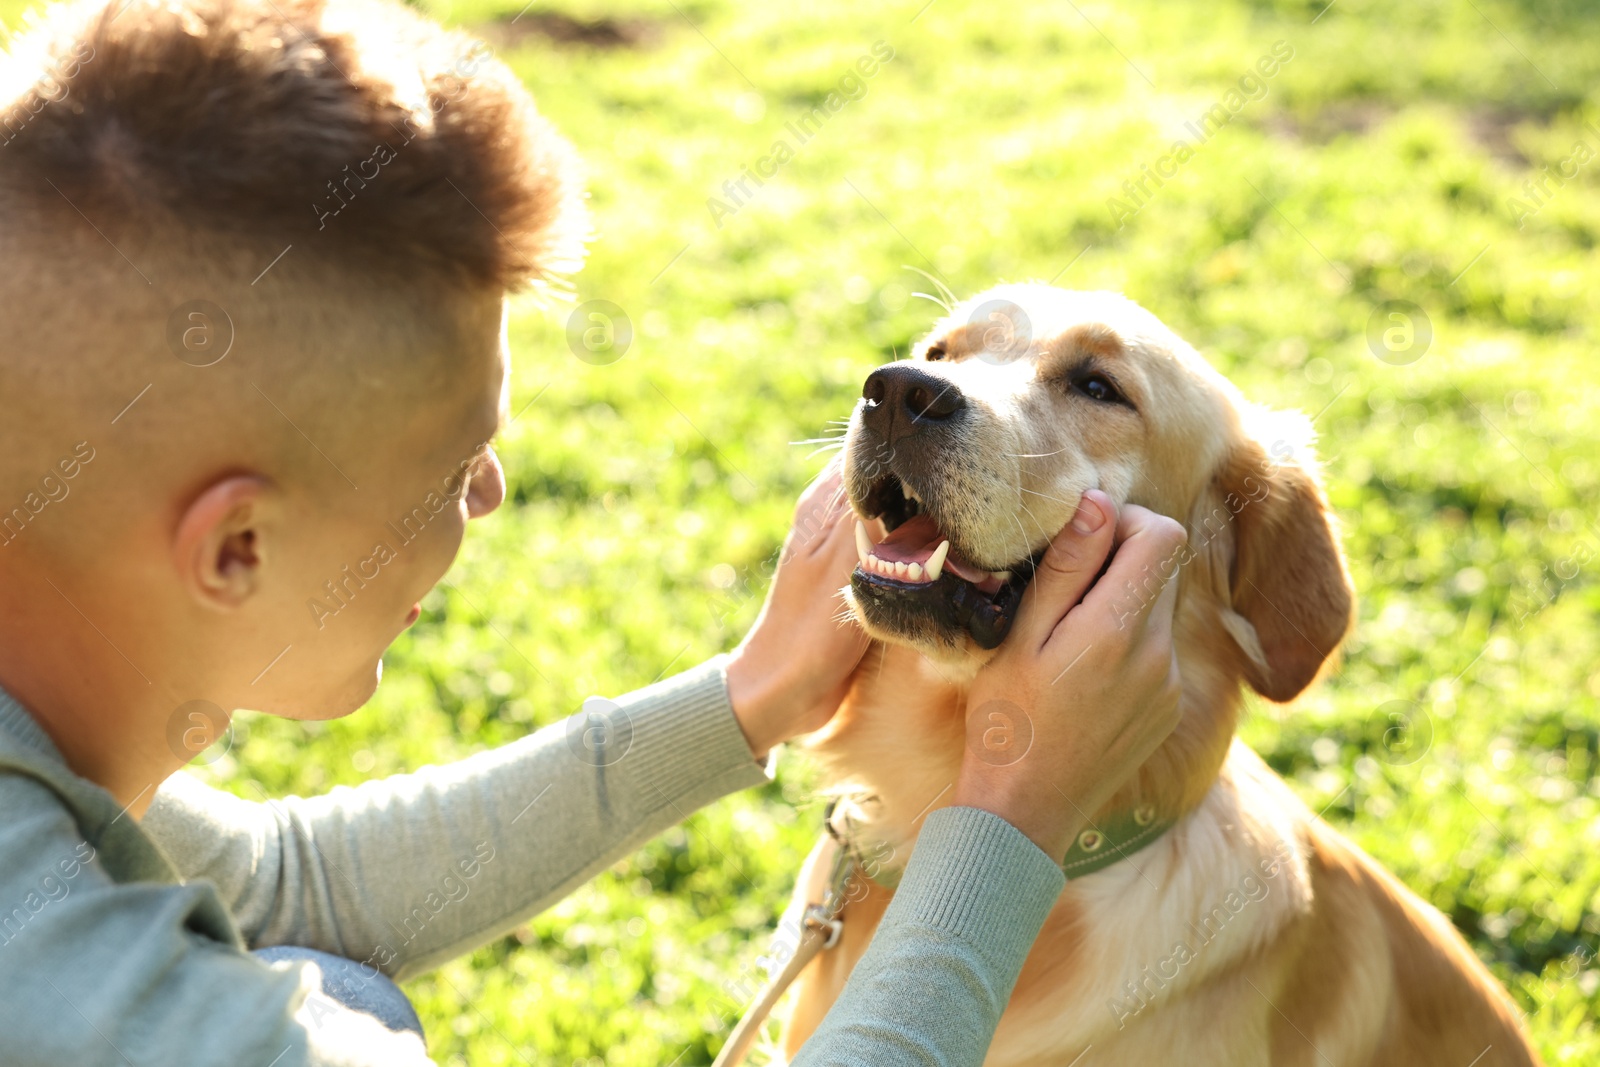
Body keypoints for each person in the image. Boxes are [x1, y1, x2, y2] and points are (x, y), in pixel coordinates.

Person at [0, 0, 1187, 1063]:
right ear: (237, 547)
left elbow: (280, 885)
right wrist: (1006, 827)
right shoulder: (80, 1003)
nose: (491, 494)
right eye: (453, 466)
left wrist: (750, 694)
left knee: (340, 975)